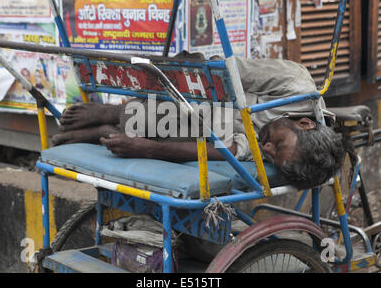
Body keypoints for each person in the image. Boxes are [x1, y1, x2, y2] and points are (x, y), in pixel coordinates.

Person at [52, 55, 345, 190]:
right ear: (305, 123)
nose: (266, 148)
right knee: (186, 108)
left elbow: (231, 150)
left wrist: (148, 149)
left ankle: (111, 128)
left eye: (270, 155)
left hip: (221, 124)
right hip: (210, 88)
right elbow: (228, 71)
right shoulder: (296, 84)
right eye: (277, 144)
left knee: (194, 132)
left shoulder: (270, 143)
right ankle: (112, 115)